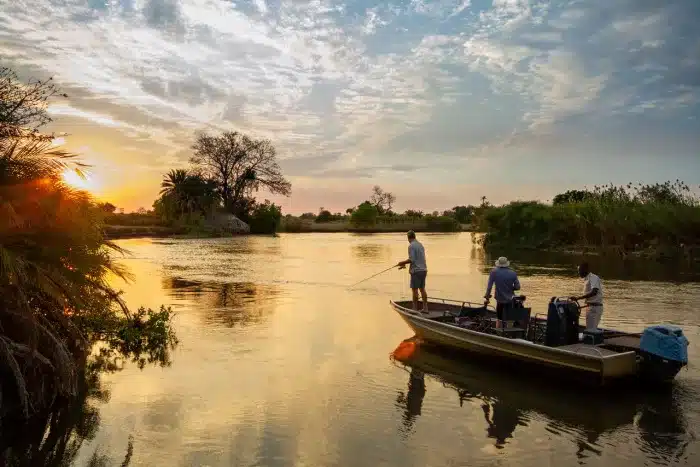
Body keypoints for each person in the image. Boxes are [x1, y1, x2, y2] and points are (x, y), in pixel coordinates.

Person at [397, 230, 428, 312]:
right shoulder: (420, 245)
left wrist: (401, 262)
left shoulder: (411, 246)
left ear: (408, 237)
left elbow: (412, 259)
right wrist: (404, 265)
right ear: (415, 236)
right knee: (422, 289)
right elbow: (417, 259)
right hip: (423, 270)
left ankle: (414, 308)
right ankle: (425, 308)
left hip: (416, 271)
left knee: (414, 290)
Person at [484, 257, 521, 325]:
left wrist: (487, 296)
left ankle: (499, 332)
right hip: (511, 300)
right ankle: (509, 332)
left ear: (498, 263)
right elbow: (518, 287)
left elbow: (489, 286)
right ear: (507, 264)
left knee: (499, 319)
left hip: (500, 300)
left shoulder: (494, 272)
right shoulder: (513, 273)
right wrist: (510, 288)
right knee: (509, 318)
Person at [570, 262, 603, 331]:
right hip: (590, 307)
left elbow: (594, 292)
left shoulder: (593, 277)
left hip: (595, 308)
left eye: (580, 271)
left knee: (591, 330)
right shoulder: (586, 279)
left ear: (585, 269)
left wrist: (578, 298)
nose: (579, 273)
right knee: (589, 329)